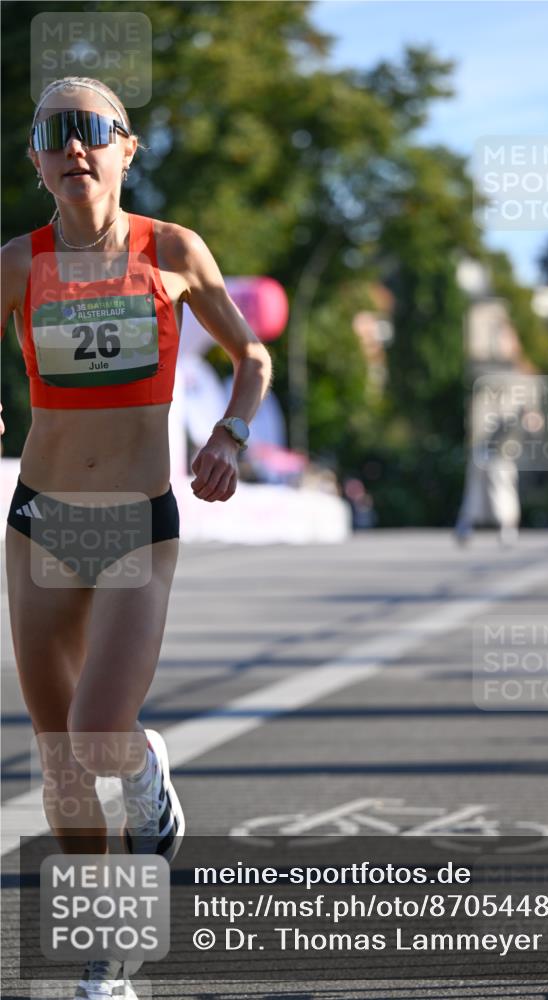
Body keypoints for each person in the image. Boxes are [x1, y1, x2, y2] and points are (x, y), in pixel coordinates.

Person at [1, 76, 273, 999]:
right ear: (36, 159)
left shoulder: (174, 250)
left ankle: (149, 764)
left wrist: (229, 434)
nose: (74, 145)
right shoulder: (16, 262)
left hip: (135, 521)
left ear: (126, 149)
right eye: (54, 131)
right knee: (59, 762)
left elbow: (253, 356)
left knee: (98, 736)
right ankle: (108, 959)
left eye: (92, 129)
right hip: (39, 519)